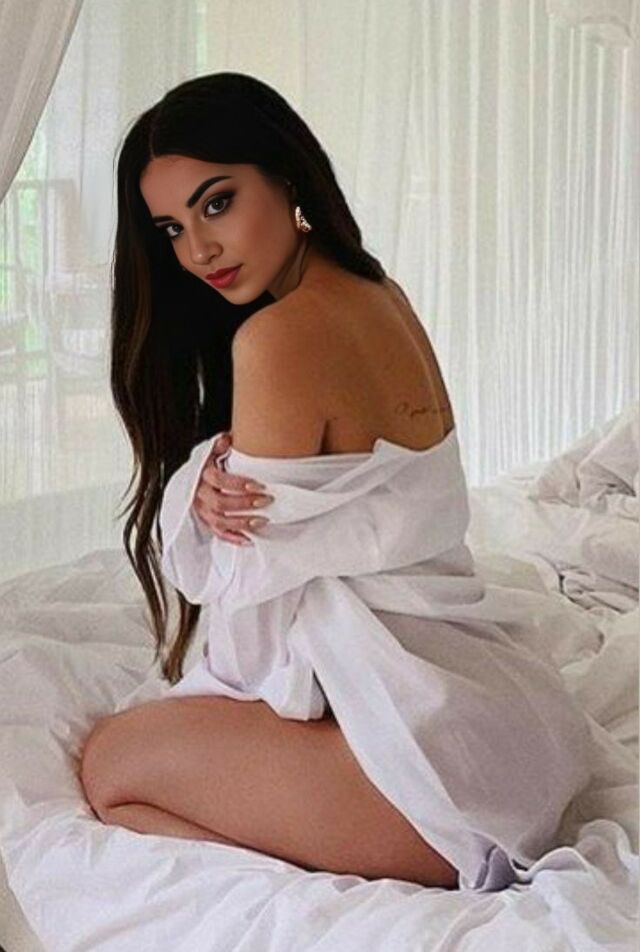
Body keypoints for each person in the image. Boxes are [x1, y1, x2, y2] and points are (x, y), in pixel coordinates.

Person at [79, 72, 592, 894]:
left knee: (111, 765)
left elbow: (249, 632)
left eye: (218, 203)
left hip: (432, 785)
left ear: (285, 176)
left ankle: (300, 883)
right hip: (505, 731)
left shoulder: (278, 338)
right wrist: (210, 477)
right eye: (172, 228)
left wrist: (197, 505)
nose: (198, 250)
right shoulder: (377, 291)